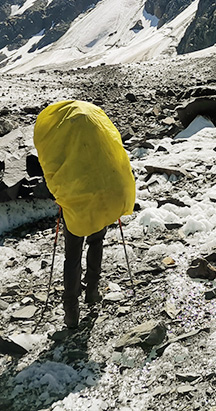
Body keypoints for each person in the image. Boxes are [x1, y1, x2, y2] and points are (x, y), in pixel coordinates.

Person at [34, 100, 136, 328]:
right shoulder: (97, 129)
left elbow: (52, 166)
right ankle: (92, 291)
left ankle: (71, 310)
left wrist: (58, 192)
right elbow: (117, 152)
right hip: (105, 192)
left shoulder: (62, 136)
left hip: (77, 200)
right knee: (97, 241)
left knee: (72, 253)